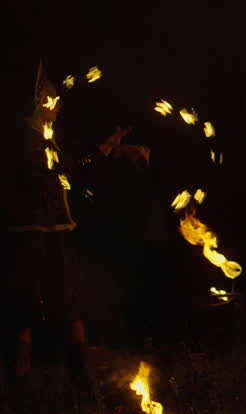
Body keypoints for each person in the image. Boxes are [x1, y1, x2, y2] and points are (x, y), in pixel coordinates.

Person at [2, 60, 150, 387]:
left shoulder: (48, 136)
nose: (57, 104)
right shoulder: (27, 139)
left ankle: (78, 362)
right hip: (32, 229)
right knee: (30, 293)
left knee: (68, 291)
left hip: (56, 227)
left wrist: (117, 148)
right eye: (50, 99)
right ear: (37, 104)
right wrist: (109, 148)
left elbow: (75, 159)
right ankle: (20, 366)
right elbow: (67, 168)